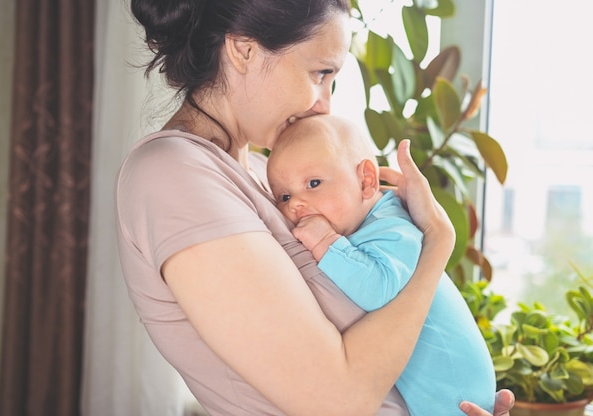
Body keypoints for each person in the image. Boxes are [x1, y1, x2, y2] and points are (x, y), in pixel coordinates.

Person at [117, 0, 514, 414]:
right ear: (244, 50)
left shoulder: (264, 175)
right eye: (319, 74)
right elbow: (339, 400)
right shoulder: (176, 177)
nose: (324, 104)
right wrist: (437, 243)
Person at [267, 114, 496, 415]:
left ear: (366, 180)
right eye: (284, 196)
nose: (295, 204)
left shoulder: (393, 228)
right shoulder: (367, 223)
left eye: (313, 183)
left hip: (454, 397)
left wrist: (326, 244)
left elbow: (377, 290)